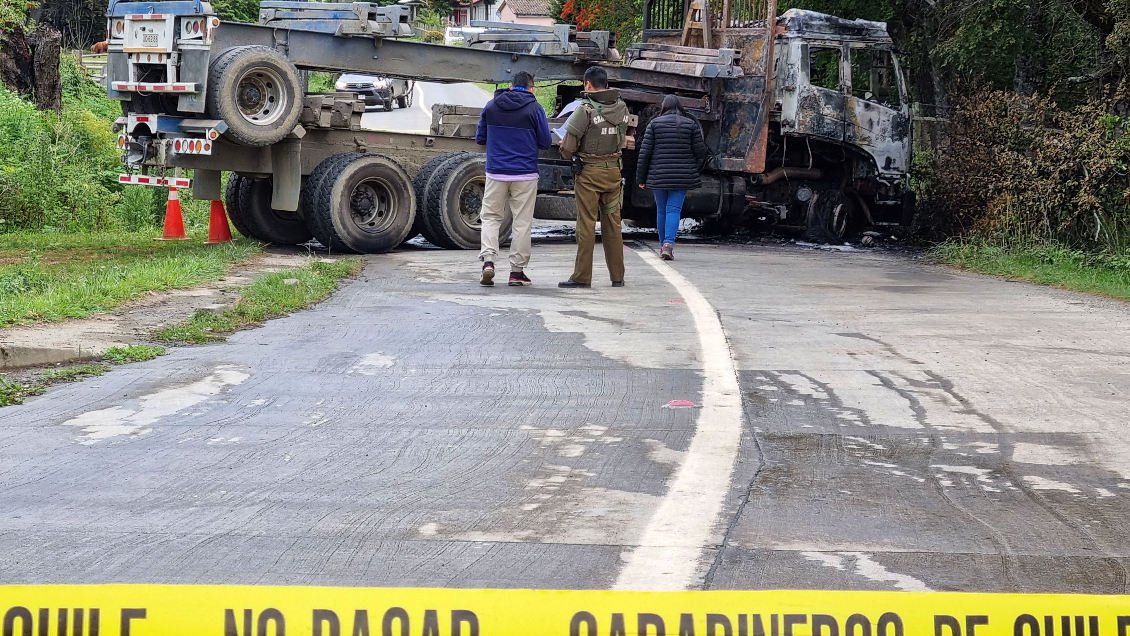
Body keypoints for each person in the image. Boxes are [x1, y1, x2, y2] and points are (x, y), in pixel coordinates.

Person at [475, 70, 552, 286]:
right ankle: (516, 273)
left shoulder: (491, 106)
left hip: (496, 172)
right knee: (522, 222)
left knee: (491, 217)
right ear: (531, 88)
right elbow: (545, 142)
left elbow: (480, 138)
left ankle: (488, 261)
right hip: (525, 173)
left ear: (511, 85)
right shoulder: (535, 108)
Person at [557, 66, 630, 289]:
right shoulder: (621, 107)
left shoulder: (585, 109)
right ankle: (617, 276)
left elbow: (568, 146)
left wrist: (565, 148)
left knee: (586, 224)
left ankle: (582, 277)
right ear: (606, 84)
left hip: (589, 174)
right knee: (613, 225)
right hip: (614, 173)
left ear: (587, 84)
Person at [635, 95, 707, 260]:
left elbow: (644, 154)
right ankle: (668, 244)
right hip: (682, 176)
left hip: (658, 175)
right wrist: (692, 169)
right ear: (680, 107)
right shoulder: (690, 125)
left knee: (661, 211)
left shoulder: (654, 124)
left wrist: (641, 178)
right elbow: (701, 153)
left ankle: (662, 245)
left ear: (664, 107)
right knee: (674, 210)